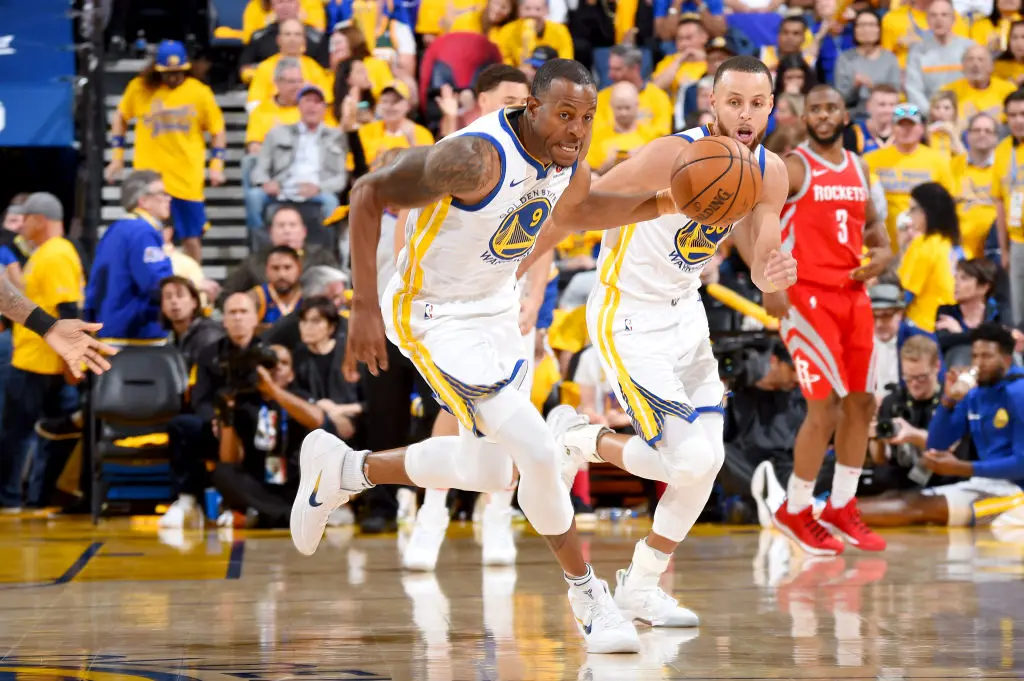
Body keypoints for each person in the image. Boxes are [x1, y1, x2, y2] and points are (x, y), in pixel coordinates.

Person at [290, 58, 684, 653]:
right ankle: (589, 598)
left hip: (495, 308)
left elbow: (582, 210)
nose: (576, 131)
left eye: (586, 117)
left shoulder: (567, 156)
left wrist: (670, 203)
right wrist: (364, 306)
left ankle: (348, 470)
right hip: (433, 314)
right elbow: (369, 193)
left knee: (500, 473)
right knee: (535, 453)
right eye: (564, 115)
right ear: (532, 108)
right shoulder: (476, 157)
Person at [517, 56, 799, 627]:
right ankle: (581, 436)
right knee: (688, 457)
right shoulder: (671, 154)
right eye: (734, 102)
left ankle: (641, 585)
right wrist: (521, 262)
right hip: (628, 314)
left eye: (757, 104)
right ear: (712, 105)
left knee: (709, 459)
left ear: (771, 108)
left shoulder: (769, 171)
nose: (745, 114)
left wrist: (773, 275)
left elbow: (763, 250)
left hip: (685, 313)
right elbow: (582, 207)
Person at [399, 63, 544, 571]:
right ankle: (431, 512)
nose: (522, 109)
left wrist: (537, 294)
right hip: (453, 301)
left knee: (514, 415)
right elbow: (406, 231)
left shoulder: (536, 151)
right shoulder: (460, 152)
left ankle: (498, 515)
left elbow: (544, 226)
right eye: (510, 99)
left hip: (510, 295)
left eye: (526, 100)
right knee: (458, 407)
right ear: (479, 101)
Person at [754, 86, 893, 556]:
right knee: (826, 407)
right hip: (807, 297)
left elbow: (873, 225)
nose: (823, 115)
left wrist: (885, 252)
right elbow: (760, 219)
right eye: (815, 108)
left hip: (854, 296)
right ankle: (795, 508)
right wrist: (771, 284)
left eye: (831, 107)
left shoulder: (859, 166)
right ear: (807, 116)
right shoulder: (794, 166)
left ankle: (841, 505)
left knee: (863, 404)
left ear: (844, 113)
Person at [857, 323, 1024, 527]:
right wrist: (948, 400)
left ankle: (825, 519)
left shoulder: (1019, 391)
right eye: (975, 356)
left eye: (987, 357)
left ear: (1006, 359)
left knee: (914, 507)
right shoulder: (975, 393)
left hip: (1017, 494)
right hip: (984, 483)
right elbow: (937, 444)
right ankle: (827, 516)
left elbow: (1021, 465)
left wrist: (962, 468)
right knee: (895, 496)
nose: (978, 363)